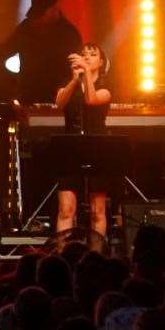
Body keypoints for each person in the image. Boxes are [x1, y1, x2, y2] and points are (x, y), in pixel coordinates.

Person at [53, 42, 112, 239]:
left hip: (98, 148)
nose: (86, 57)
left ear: (101, 62)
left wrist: (86, 72)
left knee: (97, 210)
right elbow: (59, 102)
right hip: (71, 148)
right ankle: (62, 256)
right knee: (66, 209)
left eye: (92, 54)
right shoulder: (70, 83)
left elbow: (91, 100)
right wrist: (73, 79)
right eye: (84, 54)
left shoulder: (105, 88)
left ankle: (95, 253)